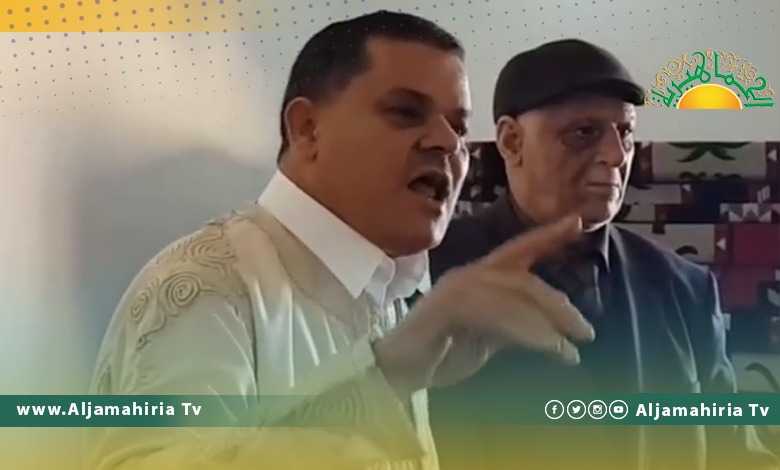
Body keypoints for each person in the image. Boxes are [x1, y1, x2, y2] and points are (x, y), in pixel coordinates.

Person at [88, 13, 596, 470]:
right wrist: (383, 378)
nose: (447, 142)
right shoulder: (205, 287)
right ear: (307, 129)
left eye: (459, 128)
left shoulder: (392, 297)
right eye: (405, 112)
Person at [429, 39, 780, 470]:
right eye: (583, 133)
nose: (617, 155)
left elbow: (735, 452)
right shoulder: (426, 277)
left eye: (625, 133)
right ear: (511, 141)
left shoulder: (685, 289)